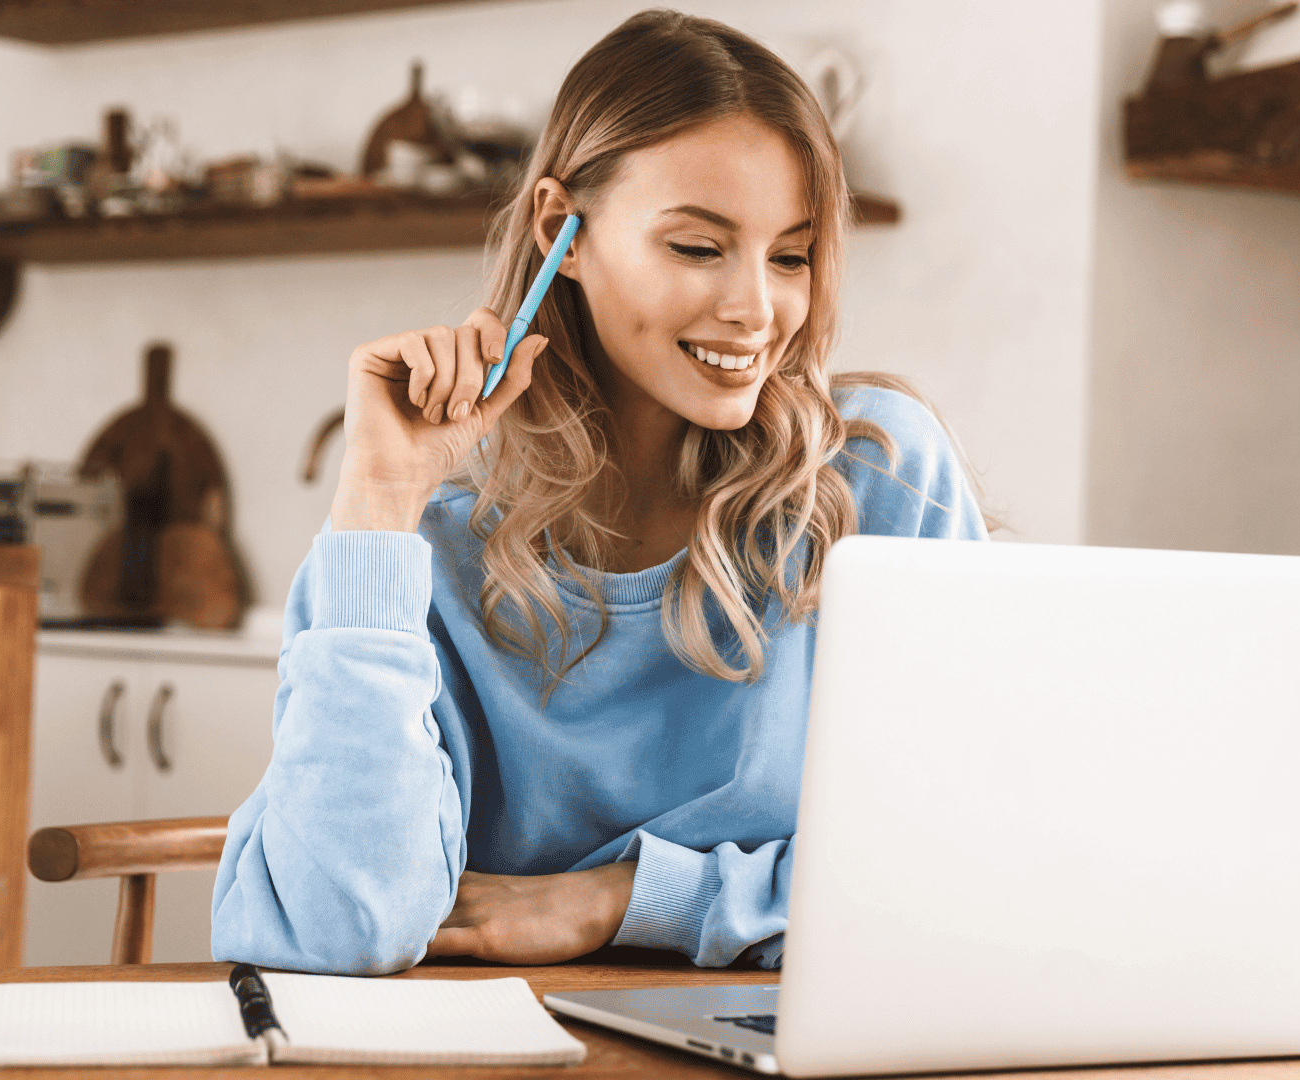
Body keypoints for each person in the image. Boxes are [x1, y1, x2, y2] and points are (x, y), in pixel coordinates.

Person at [210, 8, 989, 976]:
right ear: (561, 232)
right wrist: (377, 498)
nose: (756, 307)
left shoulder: (874, 475)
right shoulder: (435, 535)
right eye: (699, 248)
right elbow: (338, 927)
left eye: (791, 255)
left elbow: (965, 863)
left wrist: (620, 900)